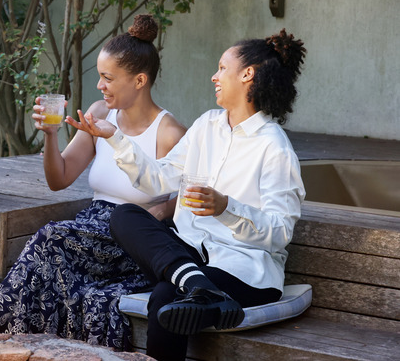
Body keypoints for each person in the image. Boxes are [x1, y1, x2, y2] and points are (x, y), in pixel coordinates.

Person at [69, 29, 307, 361]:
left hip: (245, 269)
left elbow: (280, 233)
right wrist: (115, 137)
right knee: (124, 215)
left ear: (247, 74)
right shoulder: (206, 126)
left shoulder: (274, 147)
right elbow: (156, 181)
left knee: (166, 296)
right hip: (193, 256)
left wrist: (226, 208)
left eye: (222, 68)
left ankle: (198, 288)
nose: (215, 76)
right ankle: (199, 286)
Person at [0, 15, 187, 350]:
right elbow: (60, 178)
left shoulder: (170, 132)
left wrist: (165, 208)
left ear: (139, 80)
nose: (99, 85)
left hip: (130, 243)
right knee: (58, 272)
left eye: (107, 78)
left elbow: (192, 193)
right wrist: (51, 135)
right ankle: (10, 349)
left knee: (50, 238)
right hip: (88, 233)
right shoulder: (101, 113)